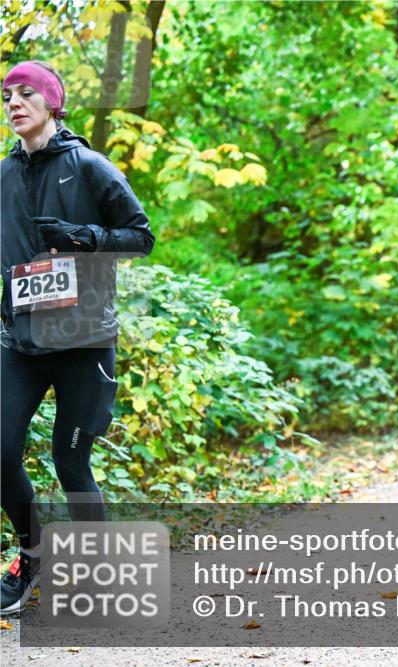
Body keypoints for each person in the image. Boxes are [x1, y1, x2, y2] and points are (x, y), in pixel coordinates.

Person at [0, 61, 154, 615]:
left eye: (25, 94)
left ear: (51, 103)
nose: (14, 103)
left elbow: (141, 237)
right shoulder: (3, 174)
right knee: (0, 454)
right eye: (7, 96)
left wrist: (86, 237)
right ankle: (32, 554)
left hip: (84, 342)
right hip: (21, 341)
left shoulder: (89, 165)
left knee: (70, 462)